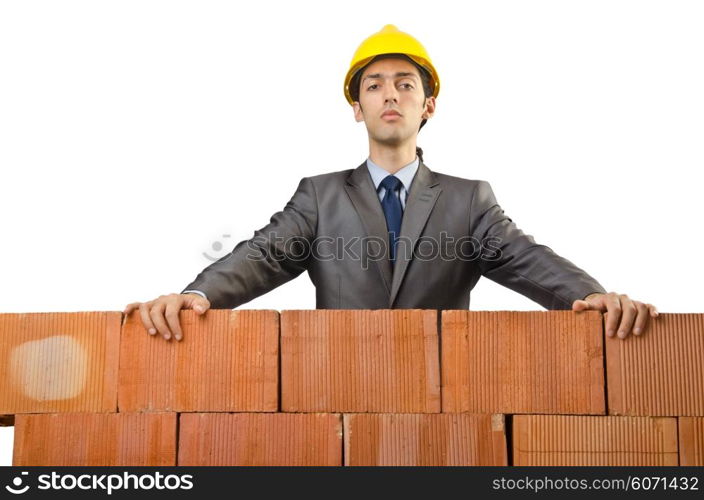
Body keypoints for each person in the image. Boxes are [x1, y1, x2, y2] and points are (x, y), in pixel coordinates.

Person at [124, 24, 658, 342]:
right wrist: (195, 295)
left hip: (443, 401)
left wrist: (593, 297)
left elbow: (527, 259)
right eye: (374, 86)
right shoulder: (320, 196)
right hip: (337, 398)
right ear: (357, 108)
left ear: (428, 105)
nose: (389, 95)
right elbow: (261, 256)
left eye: (405, 84)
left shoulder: (468, 201)